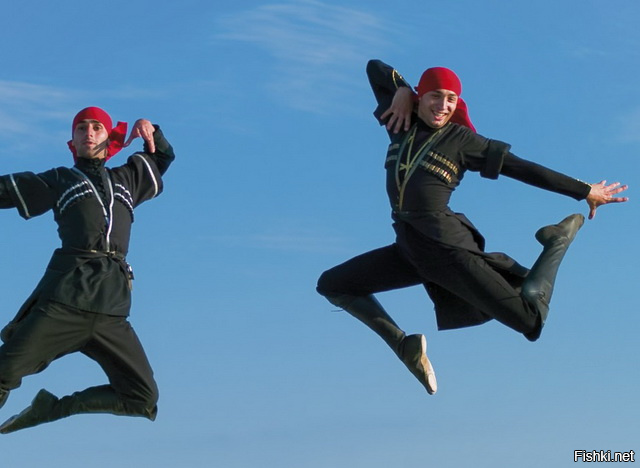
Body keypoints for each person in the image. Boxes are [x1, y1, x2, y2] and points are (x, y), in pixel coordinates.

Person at [316, 60, 628, 396]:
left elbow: (523, 168)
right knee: (333, 284)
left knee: (530, 320)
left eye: (451, 99)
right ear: (422, 97)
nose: (444, 105)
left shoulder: (463, 141)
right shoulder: (400, 121)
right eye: (436, 96)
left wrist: (584, 190)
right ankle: (403, 346)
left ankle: (556, 241)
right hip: (409, 249)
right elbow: (375, 68)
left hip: (447, 250)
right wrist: (404, 91)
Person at [0, 106, 175, 433]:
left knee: (142, 398)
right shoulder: (59, 180)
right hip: (65, 300)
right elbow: (4, 191)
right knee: (3, 373)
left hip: (111, 310)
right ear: (73, 141)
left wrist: (150, 128)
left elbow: (163, 156)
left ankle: (53, 409)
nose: (89, 132)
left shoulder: (128, 179)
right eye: (82, 128)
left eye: (96, 127)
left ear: (108, 137)